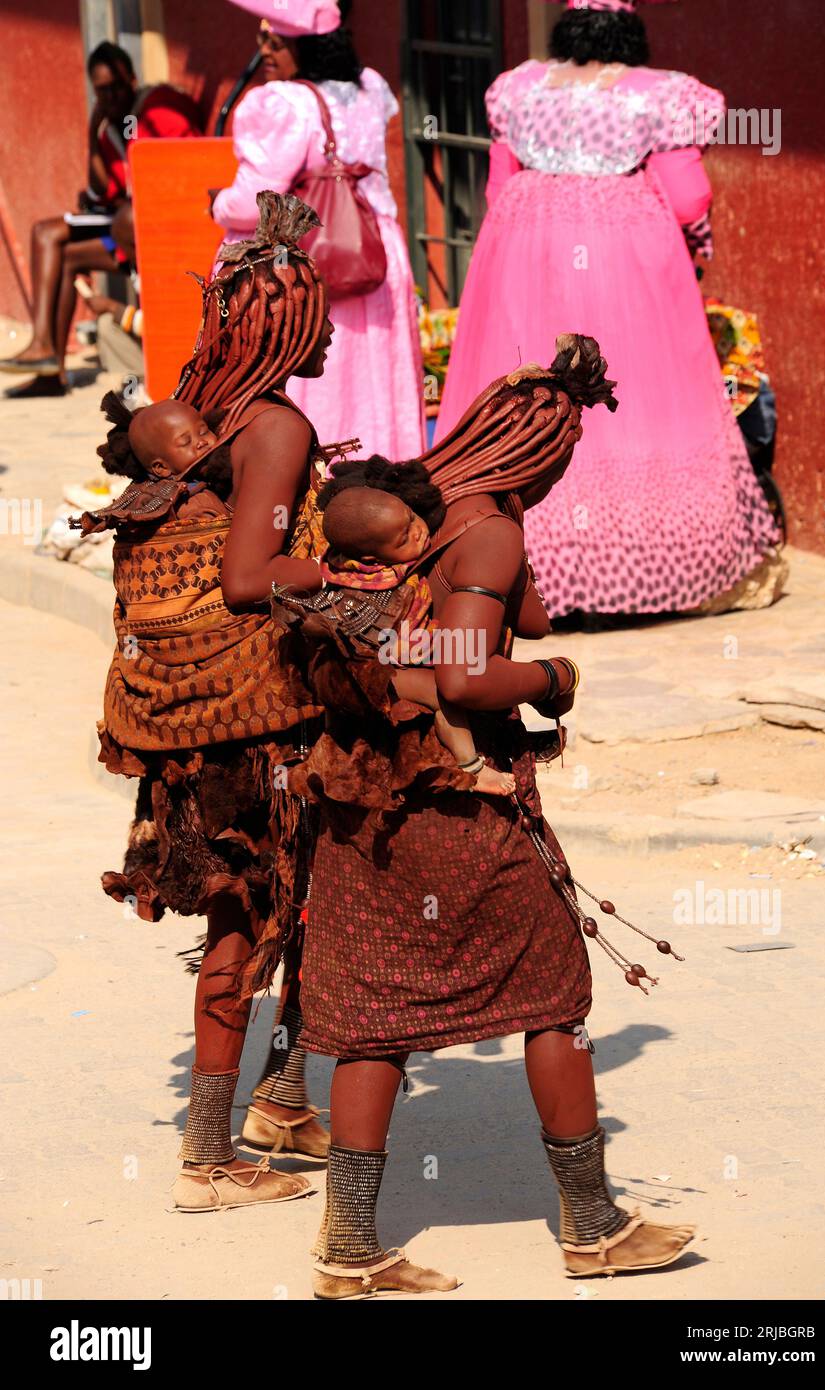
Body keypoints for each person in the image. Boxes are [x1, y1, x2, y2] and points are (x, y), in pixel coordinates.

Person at [284, 334, 695, 1298]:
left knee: (374, 1018)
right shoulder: (486, 531)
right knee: (555, 994)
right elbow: (469, 676)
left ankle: (348, 1249)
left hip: (358, 796)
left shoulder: (421, 507)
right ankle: (592, 1226)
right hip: (450, 808)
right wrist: (555, 678)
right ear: (540, 452)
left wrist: (523, 596)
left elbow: (517, 613)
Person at [87, 193, 340, 1211]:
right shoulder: (275, 424)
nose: (328, 330)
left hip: (194, 714)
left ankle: (281, 1096)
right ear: (284, 327)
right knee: (247, 911)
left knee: (300, 897)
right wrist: (343, 569)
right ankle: (207, 1159)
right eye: (315, 314)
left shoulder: (204, 403)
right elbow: (249, 576)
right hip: (250, 720)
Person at [435, 0, 785, 619]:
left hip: (521, 249)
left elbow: (495, 188)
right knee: (641, 395)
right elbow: (686, 197)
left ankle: (528, 563)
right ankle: (649, 565)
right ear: (630, 27)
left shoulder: (517, 88)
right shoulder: (660, 94)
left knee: (529, 385)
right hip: (625, 255)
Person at [212, 0, 425, 458]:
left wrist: (218, 205)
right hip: (373, 250)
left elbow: (256, 201)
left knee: (315, 371)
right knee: (373, 378)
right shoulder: (369, 87)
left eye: (276, 40)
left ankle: (308, 479)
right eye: (262, 38)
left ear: (306, 45)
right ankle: (377, 480)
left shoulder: (284, 103)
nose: (265, 49)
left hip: (315, 257)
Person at [299, 473, 522, 795]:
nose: (418, 532)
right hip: (379, 665)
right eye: (403, 539)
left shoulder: (372, 550)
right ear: (370, 559)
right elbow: (383, 644)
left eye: (412, 517)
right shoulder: (372, 580)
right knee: (445, 693)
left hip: (410, 644)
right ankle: (472, 768)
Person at [0, 42, 200, 395]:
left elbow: (189, 161)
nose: (108, 98)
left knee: (46, 232)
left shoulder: (158, 108)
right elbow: (103, 190)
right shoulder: (114, 127)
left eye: (114, 88)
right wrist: (94, 134)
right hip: (126, 225)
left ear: (131, 79)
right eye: (100, 92)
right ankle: (51, 370)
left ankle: (43, 344)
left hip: (161, 223)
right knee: (63, 254)